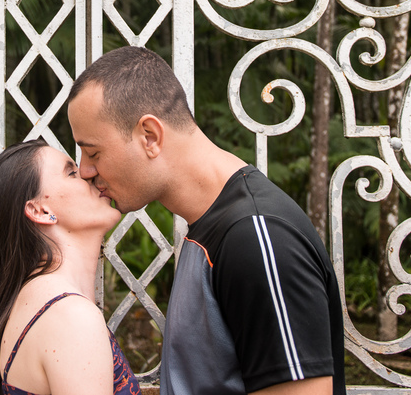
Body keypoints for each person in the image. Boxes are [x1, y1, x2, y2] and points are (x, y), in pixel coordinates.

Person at [68, 46, 345, 395]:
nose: (85, 170)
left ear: (149, 136)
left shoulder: (257, 237)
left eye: (93, 152)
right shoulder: (212, 227)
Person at [0, 138, 141, 395]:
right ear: (41, 211)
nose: (89, 174)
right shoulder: (70, 317)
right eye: (71, 173)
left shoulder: (40, 301)